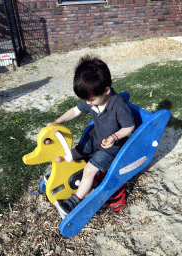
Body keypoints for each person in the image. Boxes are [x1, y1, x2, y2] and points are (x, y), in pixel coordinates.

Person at [47, 55, 135, 216]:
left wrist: (115, 137)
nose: (87, 103)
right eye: (85, 100)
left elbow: (129, 126)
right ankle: (59, 175)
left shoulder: (118, 106)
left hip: (110, 148)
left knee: (89, 170)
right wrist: (58, 122)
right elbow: (75, 110)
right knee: (71, 154)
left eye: (91, 100)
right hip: (95, 138)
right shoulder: (93, 96)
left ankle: (75, 200)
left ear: (106, 90)